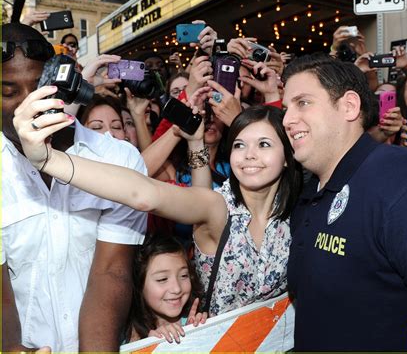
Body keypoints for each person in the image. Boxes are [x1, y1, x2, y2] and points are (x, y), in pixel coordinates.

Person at [14, 103, 302, 318]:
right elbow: (144, 194)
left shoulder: (299, 212)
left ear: (288, 157)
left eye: (264, 144)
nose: (249, 154)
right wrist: (48, 160)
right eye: (239, 145)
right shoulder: (218, 208)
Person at [281, 54, 407, 352]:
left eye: (302, 102)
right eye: (285, 108)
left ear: (349, 106)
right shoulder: (309, 195)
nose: (287, 120)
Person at [1, 23, 147, 352]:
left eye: (39, 87)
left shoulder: (117, 158)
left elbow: (112, 271)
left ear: (60, 83)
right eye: (9, 92)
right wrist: (13, 348)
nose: (29, 104)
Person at [125, 234, 206, 344]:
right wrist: (148, 347)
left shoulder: (196, 321)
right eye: (162, 279)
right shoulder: (126, 336)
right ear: (139, 284)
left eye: (183, 275)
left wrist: (195, 335)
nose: (177, 289)